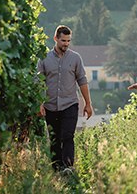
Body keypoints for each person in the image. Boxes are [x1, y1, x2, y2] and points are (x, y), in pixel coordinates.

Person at [37, 25, 93, 172]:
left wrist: (88, 104)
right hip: (50, 105)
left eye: (68, 41)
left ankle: (68, 168)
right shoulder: (44, 58)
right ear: (55, 39)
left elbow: (82, 81)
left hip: (70, 104)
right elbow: (39, 82)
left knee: (67, 136)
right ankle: (57, 170)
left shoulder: (75, 58)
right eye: (63, 41)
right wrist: (39, 103)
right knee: (55, 140)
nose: (66, 44)